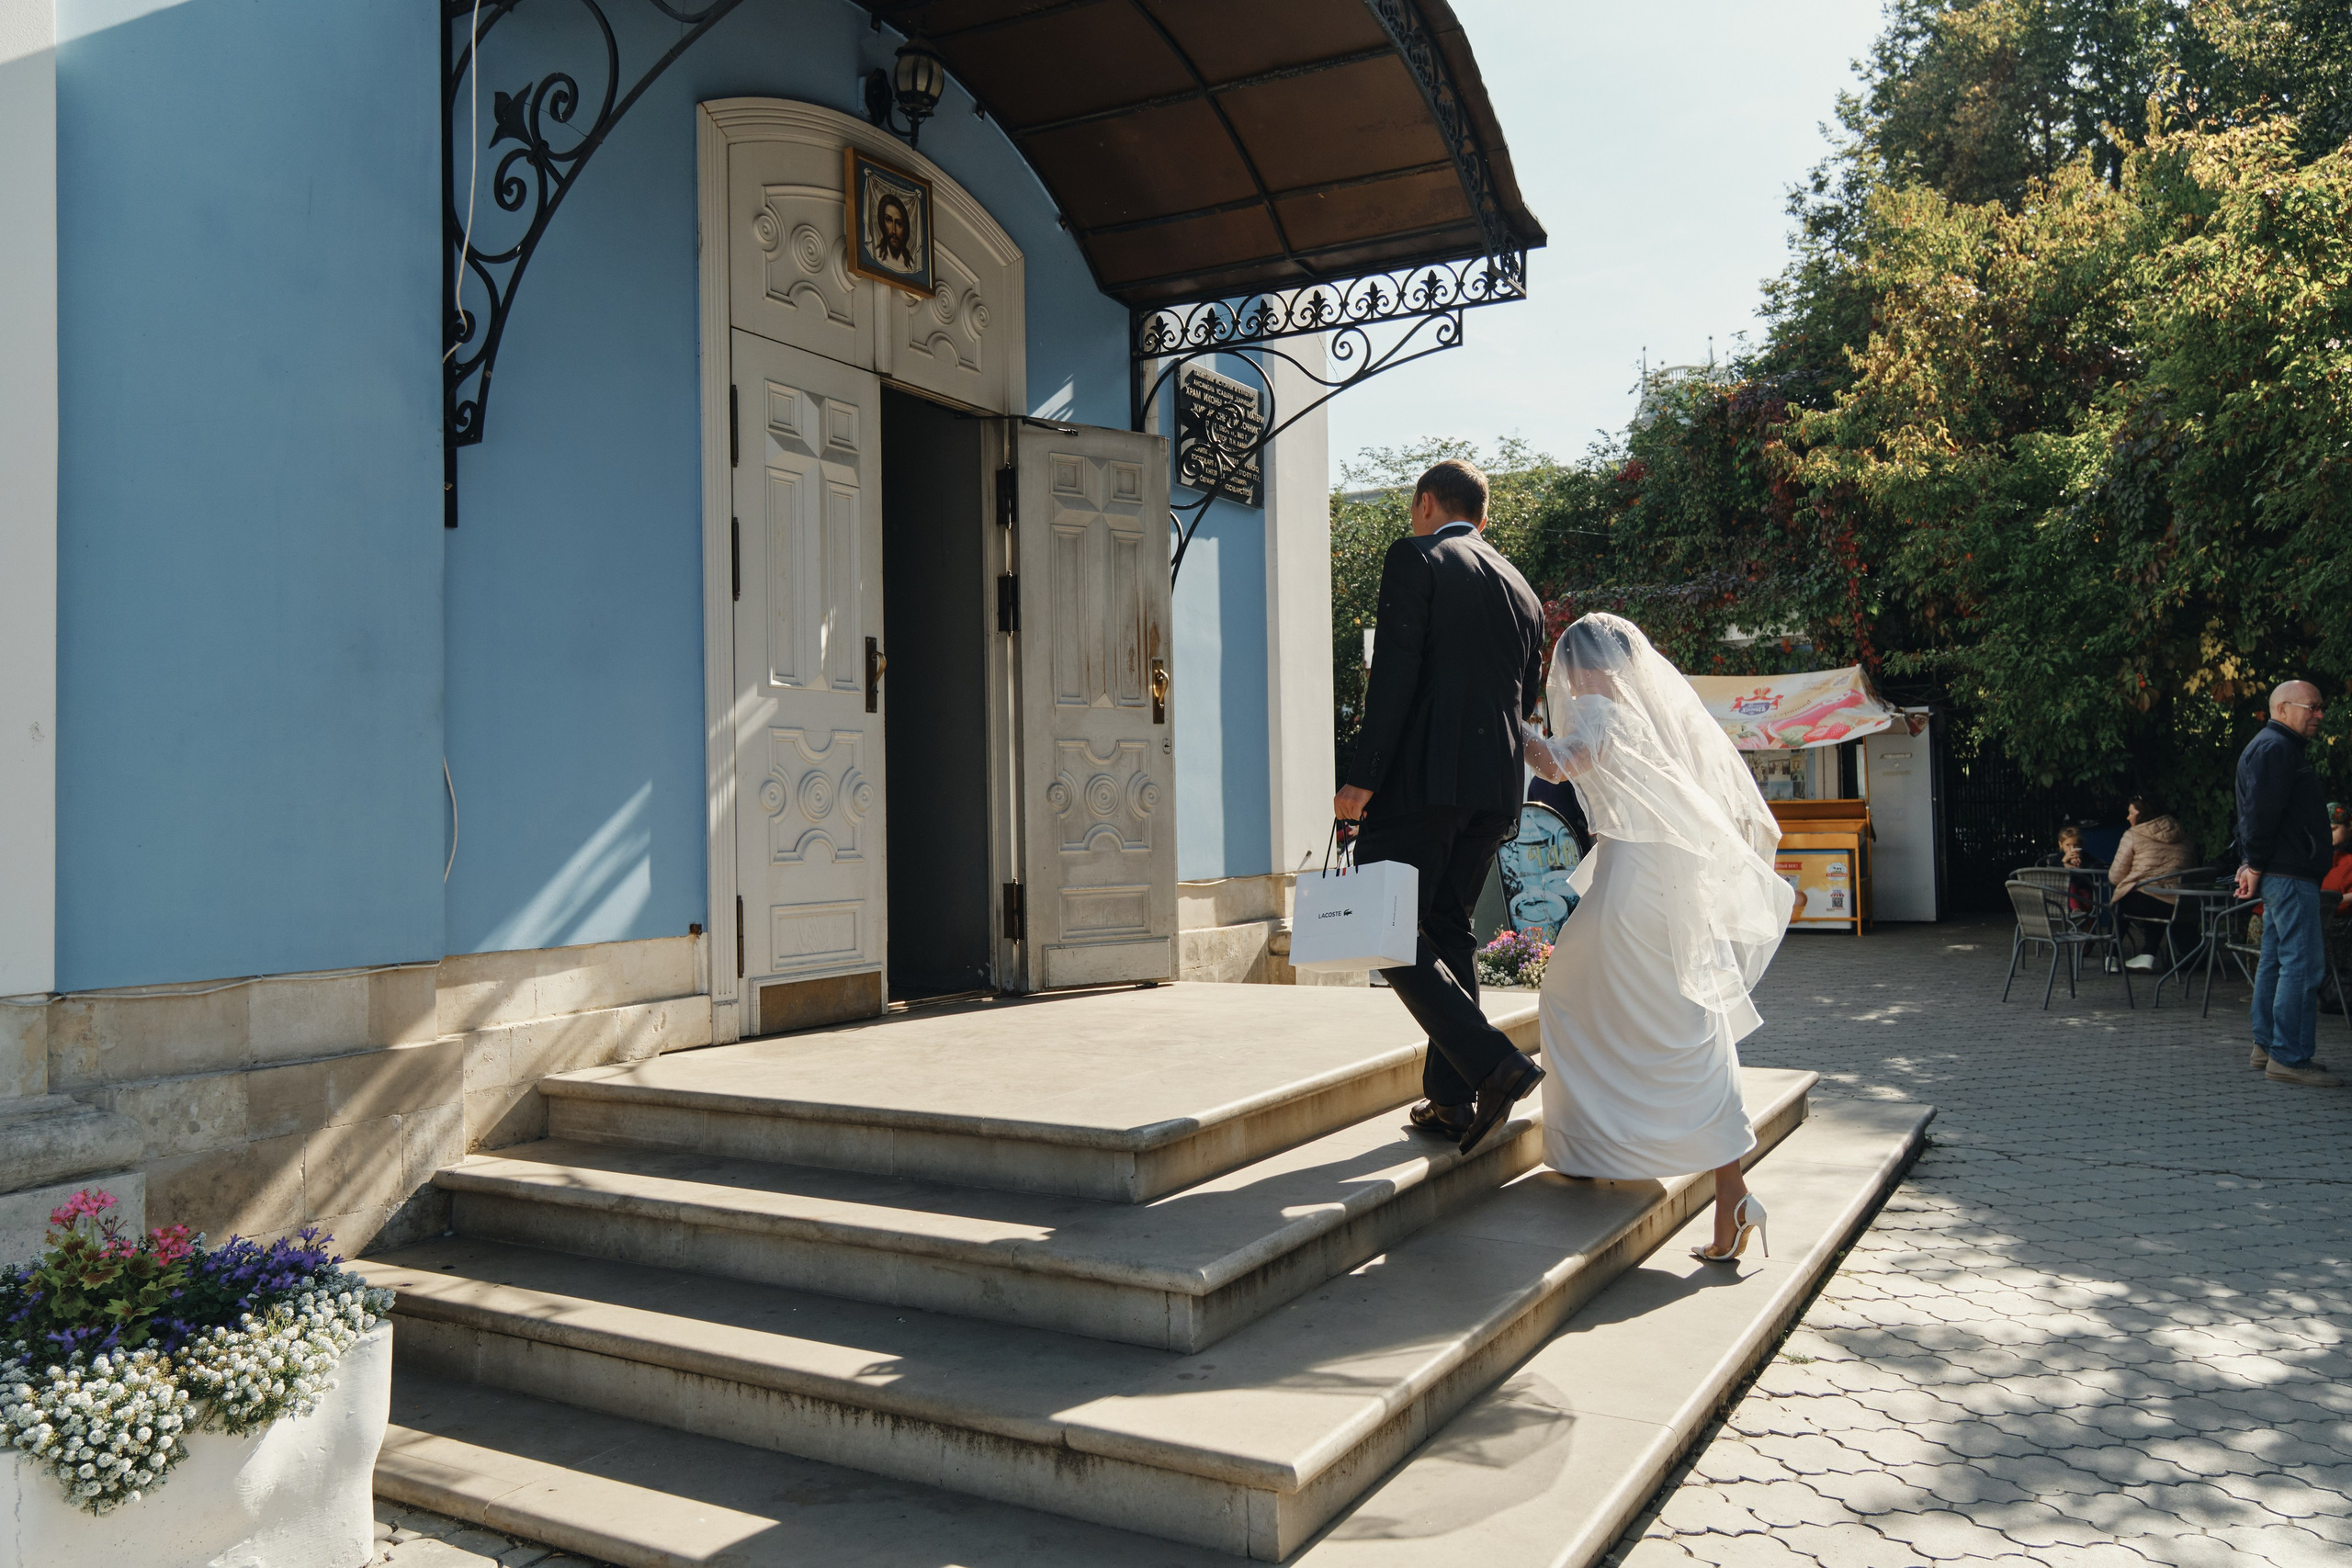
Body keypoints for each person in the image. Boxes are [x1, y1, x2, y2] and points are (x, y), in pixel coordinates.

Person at [1522, 615, 1796, 1264]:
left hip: (1632, 884)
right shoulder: (1642, 718)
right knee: (1663, 1013)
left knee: (1596, 999)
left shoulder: (1599, 710)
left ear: (1589, 668)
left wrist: (1505, 724)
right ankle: (1714, 1187)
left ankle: (1612, 1150)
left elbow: (1561, 766)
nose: (1567, 676)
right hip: (1653, 877)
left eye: (1570, 664)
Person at [1335, 458, 1550, 1156]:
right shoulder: (1523, 588)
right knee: (1449, 928)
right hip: (1495, 791)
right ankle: (1454, 1099)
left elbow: (1393, 678)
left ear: (1428, 503)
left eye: (1412, 507)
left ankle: (1495, 1063)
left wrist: (1360, 782)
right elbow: (1526, 702)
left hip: (1419, 785)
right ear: (1481, 516)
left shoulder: (1416, 556)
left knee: (1385, 929)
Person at [2236, 681, 2339, 1086]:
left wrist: (2253, 863)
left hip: (2281, 870)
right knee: (2304, 963)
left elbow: (2254, 815)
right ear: (2282, 709)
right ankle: (2289, 1057)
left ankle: (2268, 1047)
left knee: (2277, 960)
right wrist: (2256, 863)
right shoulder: (2277, 749)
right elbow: (2261, 815)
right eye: (2312, 707)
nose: (2319, 715)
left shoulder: (2270, 747)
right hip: (2290, 872)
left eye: (2321, 706)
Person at [2108, 795, 2195, 971]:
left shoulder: (2133, 835)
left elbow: (2116, 877)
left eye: (2131, 812)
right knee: (2151, 892)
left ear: (2142, 815)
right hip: (2181, 905)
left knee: (2121, 899)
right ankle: (2148, 954)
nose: (2128, 817)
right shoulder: (2184, 835)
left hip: (2149, 902)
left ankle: (2112, 956)